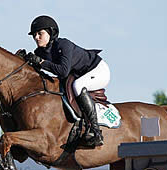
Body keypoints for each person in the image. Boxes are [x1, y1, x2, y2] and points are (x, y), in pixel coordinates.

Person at [25, 15, 111, 147]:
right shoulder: (40, 52)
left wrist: (41, 62)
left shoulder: (64, 44)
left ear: (51, 33)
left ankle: (95, 131)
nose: (36, 37)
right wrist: (25, 60)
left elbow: (63, 71)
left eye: (40, 33)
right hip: (78, 74)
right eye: (34, 35)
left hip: (97, 70)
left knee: (78, 86)